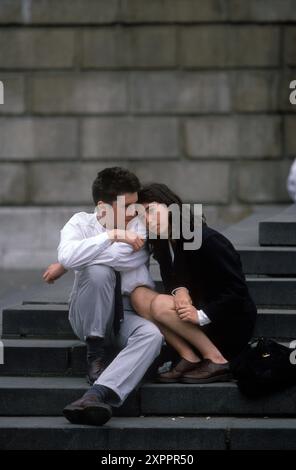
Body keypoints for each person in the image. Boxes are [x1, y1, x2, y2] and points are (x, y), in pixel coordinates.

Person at [48, 167, 164, 426]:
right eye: (128, 206)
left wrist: (72, 261)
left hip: (126, 314)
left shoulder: (141, 225)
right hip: (86, 314)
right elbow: (67, 256)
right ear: (103, 207)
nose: (136, 211)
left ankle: (97, 395)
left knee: (153, 336)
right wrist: (112, 235)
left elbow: (124, 258)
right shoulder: (79, 222)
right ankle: (95, 353)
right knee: (99, 271)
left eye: (136, 204)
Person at [129, 183, 258, 384]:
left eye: (151, 210)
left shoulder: (205, 239)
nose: (147, 219)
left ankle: (217, 359)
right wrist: (180, 290)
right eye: (141, 215)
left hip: (228, 322)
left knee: (160, 304)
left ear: (170, 206)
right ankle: (189, 356)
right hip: (193, 319)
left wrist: (201, 315)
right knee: (139, 296)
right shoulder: (164, 243)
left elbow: (237, 290)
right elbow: (174, 279)